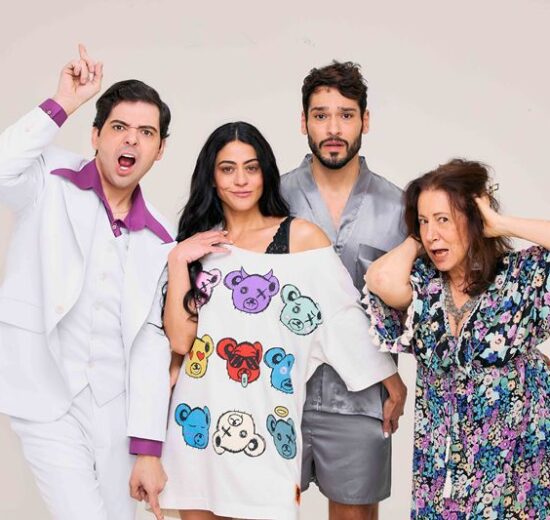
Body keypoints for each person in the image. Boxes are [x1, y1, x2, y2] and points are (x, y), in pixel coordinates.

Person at [158, 121, 398, 520]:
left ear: (265, 173)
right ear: (212, 177)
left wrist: (390, 380)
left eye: (251, 168)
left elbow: (342, 315)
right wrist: (178, 259)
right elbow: (182, 341)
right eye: (228, 169)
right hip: (197, 422)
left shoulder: (300, 237)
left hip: (266, 422)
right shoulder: (197, 245)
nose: (241, 180)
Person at [0, 45, 173, 520]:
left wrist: (148, 446)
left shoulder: (163, 236)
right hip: (45, 392)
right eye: (119, 127)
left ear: (160, 150)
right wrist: (63, 102)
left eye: (146, 133)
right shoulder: (48, 178)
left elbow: (151, 340)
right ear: (96, 135)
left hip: (116, 407)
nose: (131, 140)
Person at [364, 159, 550, 518]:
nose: (432, 234)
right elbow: (380, 279)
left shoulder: (519, 276)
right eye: (423, 221)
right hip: (442, 461)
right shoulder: (425, 285)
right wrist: (417, 238)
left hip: (515, 461)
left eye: (443, 219)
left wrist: (499, 223)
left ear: (475, 217)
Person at [280, 61, 407, 519]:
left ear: (365, 120)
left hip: (363, 399)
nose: (333, 128)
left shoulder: (400, 208)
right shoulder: (271, 198)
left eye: (346, 115)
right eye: (321, 115)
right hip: (277, 392)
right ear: (303, 122)